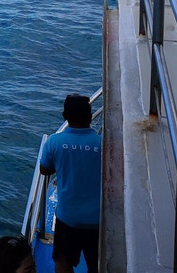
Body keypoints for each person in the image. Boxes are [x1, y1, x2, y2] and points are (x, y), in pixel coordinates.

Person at [38, 93, 101, 273]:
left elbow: (45, 169)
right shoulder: (102, 143)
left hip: (67, 217)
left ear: (64, 116)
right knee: (96, 264)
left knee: (63, 261)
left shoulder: (54, 142)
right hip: (97, 219)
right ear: (90, 117)